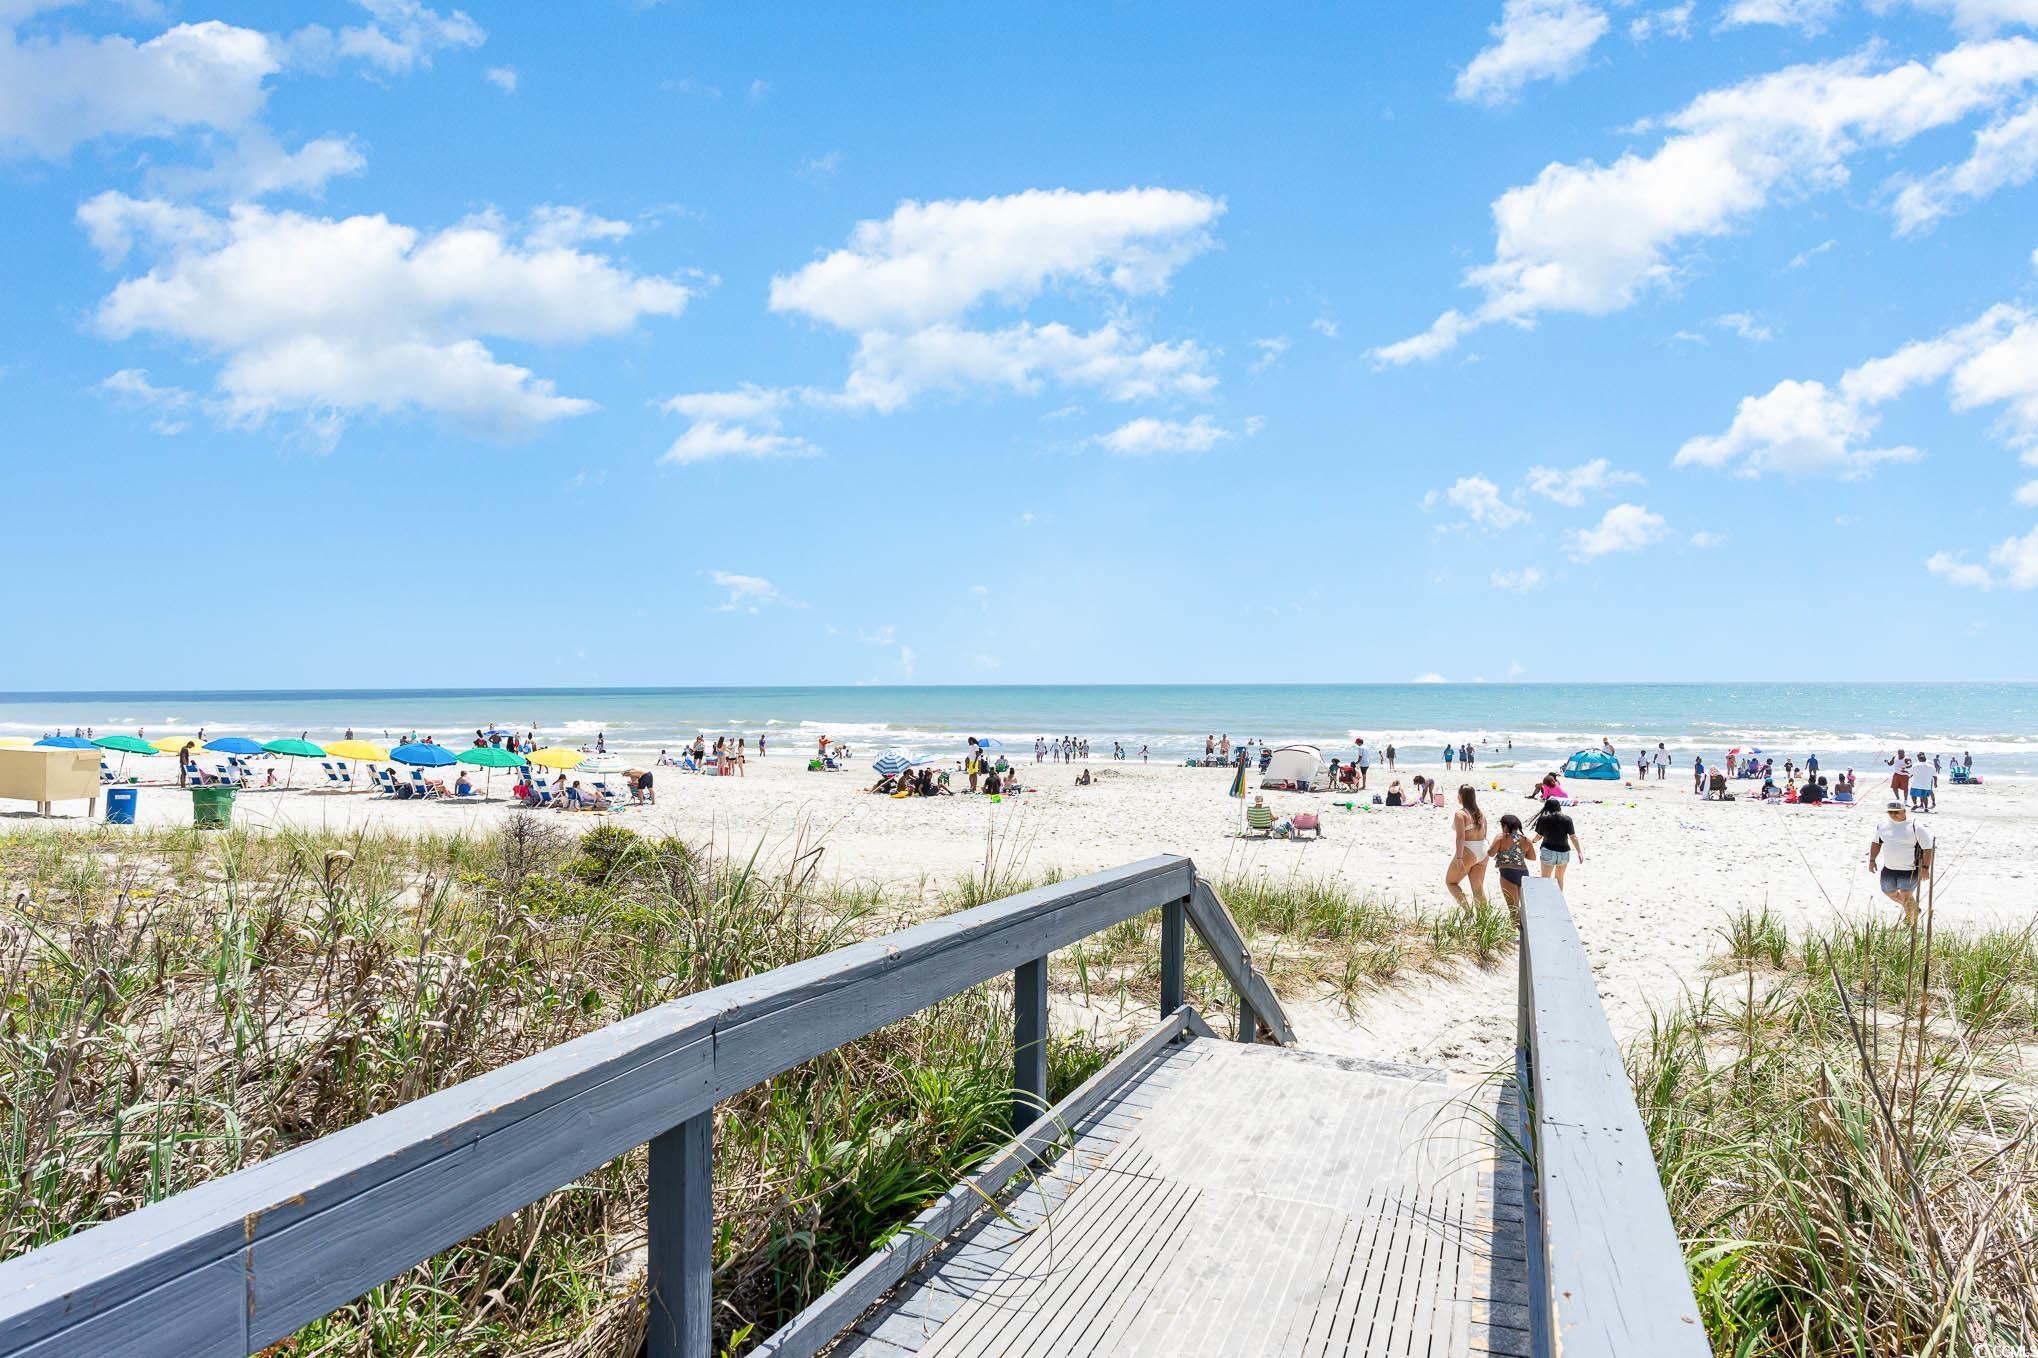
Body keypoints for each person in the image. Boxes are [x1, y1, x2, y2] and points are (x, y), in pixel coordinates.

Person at [1869, 799, 1934, 923]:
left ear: (1904, 811)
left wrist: (1926, 868)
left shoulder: (1916, 827)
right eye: (1890, 812)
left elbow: (1927, 848)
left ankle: (1909, 922)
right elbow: (1876, 843)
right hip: (1889, 868)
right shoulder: (1882, 826)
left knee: (1905, 893)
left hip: (1910, 869)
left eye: (1896, 812)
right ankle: (1913, 909)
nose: (1893, 815)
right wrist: (1872, 860)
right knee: (1888, 891)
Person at [1445, 785, 1489, 909]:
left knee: (1451, 882)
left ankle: (1468, 913)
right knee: (1478, 888)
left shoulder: (1461, 814)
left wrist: (1459, 858)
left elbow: (1460, 838)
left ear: (1461, 796)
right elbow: (1485, 834)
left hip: (1469, 850)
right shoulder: (1481, 813)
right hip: (1483, 849)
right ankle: (1483, 917)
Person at [1486, 813, 1534, 920]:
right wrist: (1519, 854)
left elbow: (1490, 853)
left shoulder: (1501, 838)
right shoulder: (1526, 839)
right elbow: (1532, 857)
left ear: (1505, 826)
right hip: (1523, 873)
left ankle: (1514, 929)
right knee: (1524, 907)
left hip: (1507, 873)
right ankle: (1523, 928)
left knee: (1513, 908)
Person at [1532, 798, 1582, 889]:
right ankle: (1559, 898)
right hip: (1563, 853)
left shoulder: (1543, 819)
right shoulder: (1567, 819)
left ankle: (1545, 897)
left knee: (1545, 879)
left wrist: (1533, 841)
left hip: (1548, 851)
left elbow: (1539, 836)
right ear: (1559, 807)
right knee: (1559, 879)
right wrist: (1579, 852)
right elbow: (1573, 837)